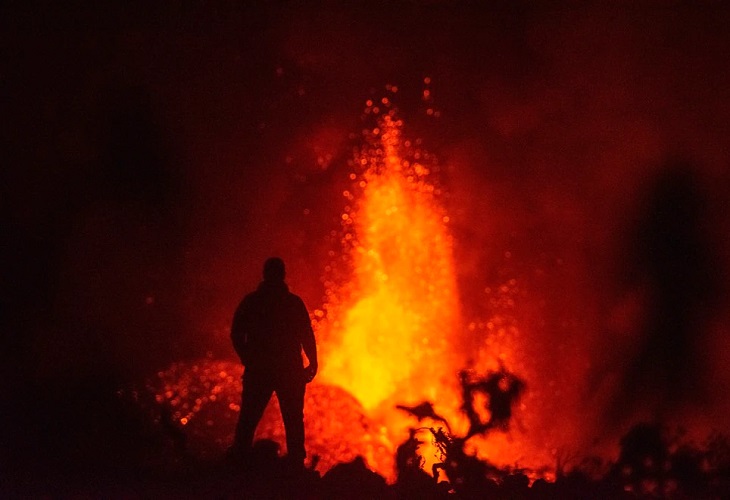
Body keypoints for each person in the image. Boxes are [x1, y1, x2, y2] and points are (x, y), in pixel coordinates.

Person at [230, 257, 318, 469]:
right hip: (289, 370)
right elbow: (306, 334)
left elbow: (236, 333)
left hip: (260, 369)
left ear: (265, 274)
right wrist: (313, 362)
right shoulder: (292, 303)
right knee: (292, 418)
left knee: (249, 417)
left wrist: (247, 356)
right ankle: (296, 464)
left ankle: (238, 461)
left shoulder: (252, 302)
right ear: (282, 275)